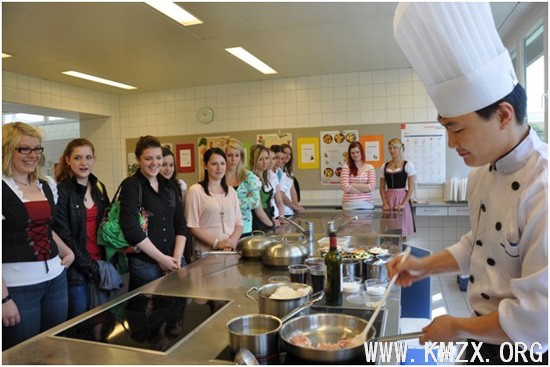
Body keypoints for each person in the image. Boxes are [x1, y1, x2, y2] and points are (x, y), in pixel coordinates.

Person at [389, 2, 547, 363]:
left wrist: (458, 327)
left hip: (529, 351)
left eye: (457, 128)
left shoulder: (544, 187)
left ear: (504, 115)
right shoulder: (481, 175)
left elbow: (539, 319)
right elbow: (477, 247)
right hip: (482, 340)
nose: (451, 143)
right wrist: (421, 265)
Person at [2, 122, 75, 350]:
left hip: (56, 278)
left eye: (37, 149)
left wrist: (66, 250)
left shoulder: (45, 184)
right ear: (7, 149)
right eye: (24, 149)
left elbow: (45, 227)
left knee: (53, 347)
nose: (32, 155)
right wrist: (3, 299)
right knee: (24, 353)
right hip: (18, 287)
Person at [53, 139, 113, 319]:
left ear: (94, 159)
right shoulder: (61, 191)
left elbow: (107, 224)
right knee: (80, 325)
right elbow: (64, 235)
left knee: (104, 323)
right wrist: (90, 266)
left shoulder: (98, 188)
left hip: (101, 264)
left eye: (88, 157)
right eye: (77, 158)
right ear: (67, 160)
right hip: (75, 271)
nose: (83, 163)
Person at [119, 136, 186, 291]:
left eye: (158, 158)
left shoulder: (169, 185)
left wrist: (175, 258)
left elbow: (180, 223)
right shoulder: (132, 185)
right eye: (148, 158)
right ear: (138, 159)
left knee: (176, 310)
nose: (155, 163)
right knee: (148, 312)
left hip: (175, 260)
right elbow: (130, 229)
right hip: (145, 265)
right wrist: (162, 259)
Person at [185, 147, 243, 258]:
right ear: (205, 166)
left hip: (230, 251)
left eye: (222, 163)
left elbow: (239, 223)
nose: (219, 168)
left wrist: (232, 241)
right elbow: (192, 226)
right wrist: (218, 243)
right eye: (214, 164)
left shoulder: (231, 192)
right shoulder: (196, 190)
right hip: (206, 253)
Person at [160, 147, 192, 265]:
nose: (168, 169)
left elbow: (181, 218)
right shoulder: (147, 190)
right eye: (164, 165)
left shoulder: (178, 186)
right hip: (158, 251)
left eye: (171, 165)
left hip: (178, 244)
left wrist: (177, 255)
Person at [379, 138, 416, 241]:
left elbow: (411, 186)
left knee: (402, 231)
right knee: (389, 231)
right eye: (390, 148)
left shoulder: (408, 165)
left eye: (394, 148)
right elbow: (382, 186)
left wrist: (404, 203)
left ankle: (402, 253)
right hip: (389, 199)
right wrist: (384, 202)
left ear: (400, 148)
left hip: (401, 198)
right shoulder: (384, 166)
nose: (392, 150)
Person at [224, 139, 261, 237]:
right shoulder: (218, 177)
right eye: (230, 155)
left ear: (241, 157)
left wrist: (227, 204)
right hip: (224, 229)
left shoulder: (248, 176)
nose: (234, 159)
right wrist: (245, 200)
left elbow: (255, 201)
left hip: (245, 229)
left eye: (237, 155)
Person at [249, 144, 282, 231]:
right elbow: (258, 211)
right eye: (260, 159)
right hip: (258, 225)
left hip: (267, 222)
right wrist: (272, 224)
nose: (265, 162)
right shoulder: (252, 179)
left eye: (267, 158)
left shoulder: (266, 176)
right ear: (253, 160)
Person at [340, 141, 376, 210]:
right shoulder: (346, 167)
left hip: (367, 205)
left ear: (361, 152)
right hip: (349, 205)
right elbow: (345, 187)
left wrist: (353, 184)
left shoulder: (370, 167)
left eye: (357, 152)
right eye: (352, 153)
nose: (355, 155)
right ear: (350, 155)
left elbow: (371, 187)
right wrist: (364, 191)